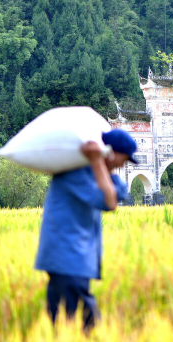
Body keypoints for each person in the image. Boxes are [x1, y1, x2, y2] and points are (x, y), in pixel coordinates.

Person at [35, 129, 136, 333]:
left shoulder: (94, 173)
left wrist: (101, 164)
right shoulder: (76, 174)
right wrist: (99, 161)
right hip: (67, 258)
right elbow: (110, 202)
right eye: (122, 160)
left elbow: (120, 190)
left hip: (75, 260)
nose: (122, 166)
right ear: (109, 153)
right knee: (85, 324)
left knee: (65, 323)